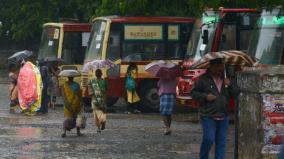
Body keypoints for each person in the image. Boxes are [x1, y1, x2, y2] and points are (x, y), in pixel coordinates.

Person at [190, 58, 239, 159]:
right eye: (216, 67)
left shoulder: (227, 79)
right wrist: (205, 97)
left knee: (221, 143)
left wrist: (229, 85)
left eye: (221, 67)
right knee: (209, 139)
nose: (219, 69)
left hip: (223, 115)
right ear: (211, 67)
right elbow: (193, 93)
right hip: (208, 116)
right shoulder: (203, 79)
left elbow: (236, 94)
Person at [157, 64, 179, 136]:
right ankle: (168, 128)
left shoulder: (163, 78)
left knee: (163, 113)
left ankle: (167, 128)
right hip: (171, 96)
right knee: (169, 114)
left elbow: (158, 84)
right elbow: (176, 84)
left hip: (164, 96)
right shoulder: (174, 78)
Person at [87, 69, 107, 133]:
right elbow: (106, 90)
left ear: (95, 74)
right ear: (101, 74)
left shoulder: (92, 81)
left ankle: (98, 128)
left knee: (96, 114)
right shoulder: (104, 81)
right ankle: (103, 121)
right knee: (102, 113)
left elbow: (90, 92)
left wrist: (94, 91)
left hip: (94, 100)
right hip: (102, 100)